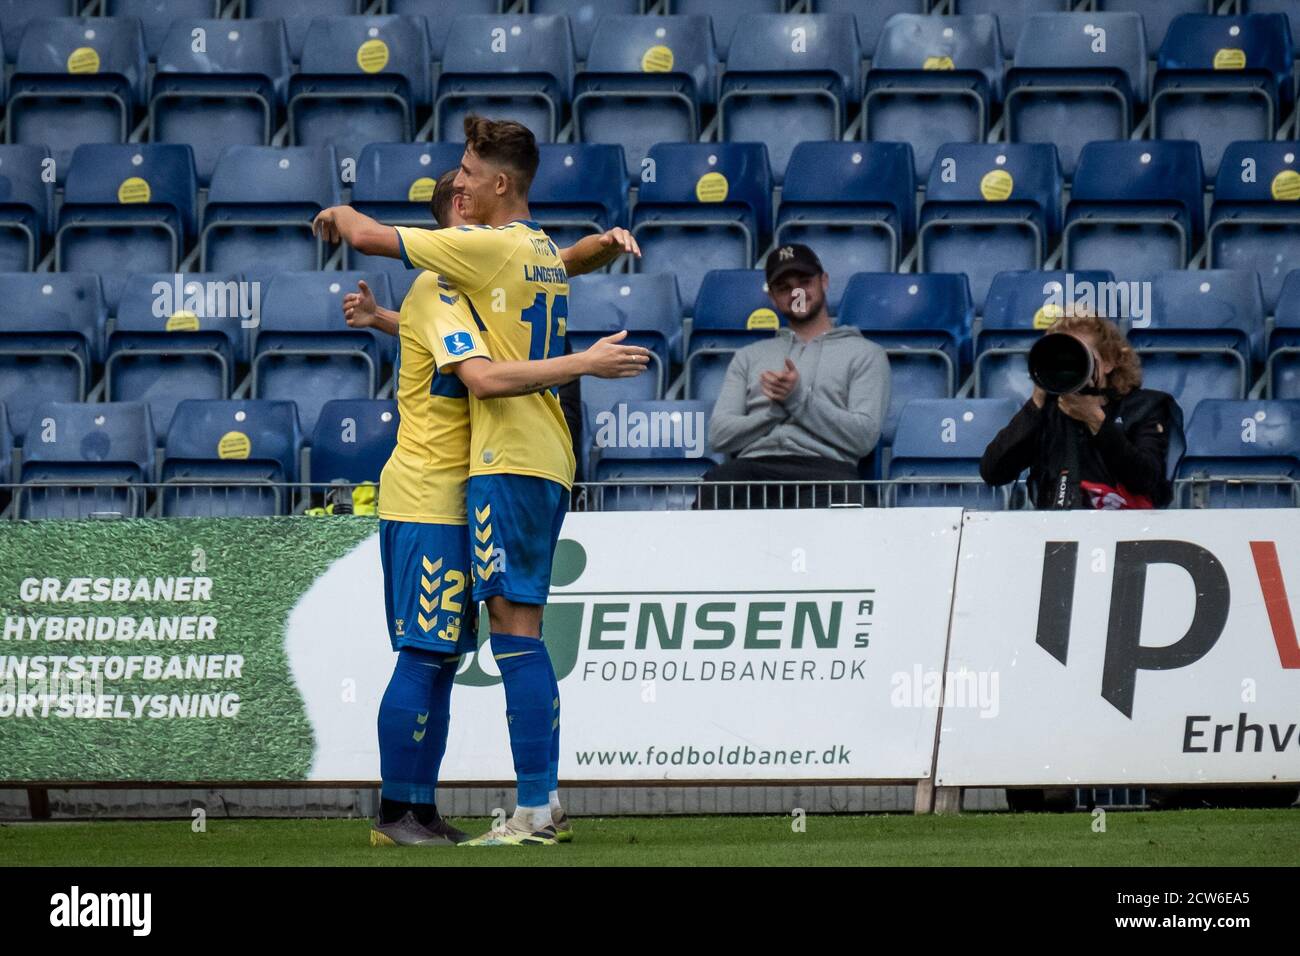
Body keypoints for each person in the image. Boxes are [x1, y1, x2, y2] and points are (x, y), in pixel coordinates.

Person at [314, 116, 638, 846]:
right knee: (433, 653)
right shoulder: (450, 283)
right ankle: (404, 812)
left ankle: (450, 809)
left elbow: (477, 331)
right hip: (433, 491)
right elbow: (478, 362)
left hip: (485, 480)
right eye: (455, 179)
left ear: (480, 203)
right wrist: (380, 309)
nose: (460, 181)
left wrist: (348, 233)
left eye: (467, 171)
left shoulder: (474, 275)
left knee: (454, 651)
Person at [701, 243, 890, 508]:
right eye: (784, 288)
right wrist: (775, 413)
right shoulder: (749, 356)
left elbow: (864, 438)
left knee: (847, 505)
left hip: (826, 471)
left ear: (823, 281)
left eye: (804, 282)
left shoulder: (865, 353)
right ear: (773, 298)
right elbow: (719, 435)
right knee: (716, 488)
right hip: (751, 470)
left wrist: (798, 400)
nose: (796, 293)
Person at [979, 309, 1181, 511]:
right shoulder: (1047, 414)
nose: (1070, 365)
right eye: (1060, 358)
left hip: (1125, 533)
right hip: (1055, 532)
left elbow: (1146, 479)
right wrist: (1036, 402)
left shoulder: (1145, 407)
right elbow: (993, 472)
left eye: (1080, 355)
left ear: (1108, 361)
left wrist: (1096, 421)